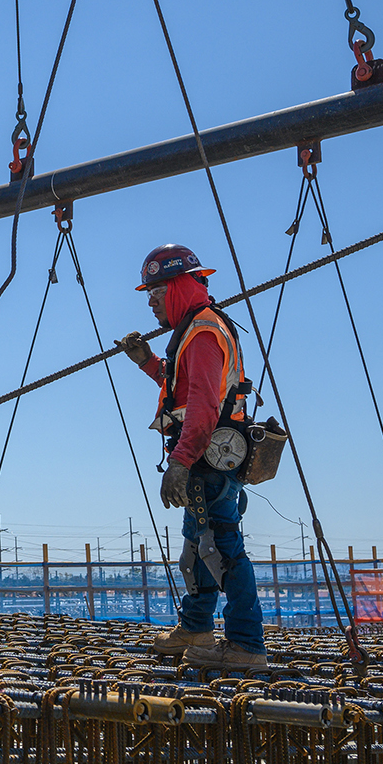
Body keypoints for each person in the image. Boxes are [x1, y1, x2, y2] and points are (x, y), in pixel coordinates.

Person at [120, 244, 268, 671]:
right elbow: (183, 388)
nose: (150, 301)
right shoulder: (194, 330)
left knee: (221, 550)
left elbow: (203, 406)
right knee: (196, 549)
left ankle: (245, 644)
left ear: (180, 287)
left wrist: (180, 462)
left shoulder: (202, 332)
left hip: (206, 459)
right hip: (207, 457)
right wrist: (148, 362)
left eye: (155, 292)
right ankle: (198, 627)